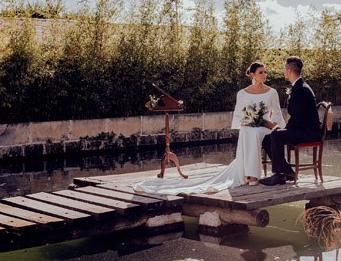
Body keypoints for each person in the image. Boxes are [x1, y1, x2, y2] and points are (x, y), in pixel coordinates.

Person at [134, 62, 285, 194]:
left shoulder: (271, 92)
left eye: (265, 72)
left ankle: (253, 174)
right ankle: (249, 174)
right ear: (252, 74)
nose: (264, 75)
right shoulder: (242, 93)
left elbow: (277, 113)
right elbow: (239, 113)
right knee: (247, 131)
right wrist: (244, 122)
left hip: (265, 126)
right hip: (250, 125)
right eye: (261, 72)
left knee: (253, 132)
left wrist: (277, 126)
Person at [259, 56, 321, 186]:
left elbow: (297, 118)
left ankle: (279, 175)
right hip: (302, 129)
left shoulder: (301, 89)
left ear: (289, 70)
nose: (283, 71)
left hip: (308, 132)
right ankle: (287, 172)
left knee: (276, 135)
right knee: (267, 138)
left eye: (284, 69)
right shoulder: (298, 86)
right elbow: (296, 117)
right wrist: (284, 130)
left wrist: (284, 130)